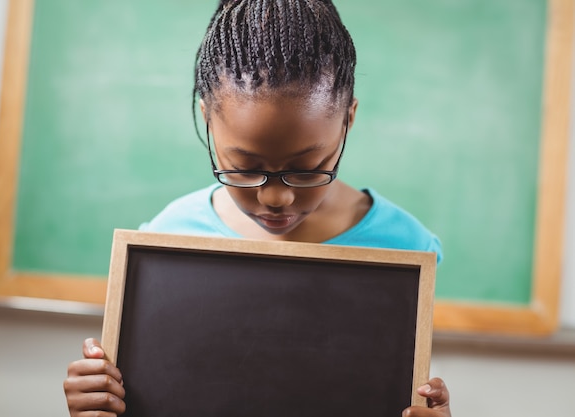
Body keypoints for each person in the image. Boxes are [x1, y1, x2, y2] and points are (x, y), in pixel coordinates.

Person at [64, 0, 451, 416]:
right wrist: (98, 400)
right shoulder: (166, 243)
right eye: (245, 169)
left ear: (348, 120)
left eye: (308, 169)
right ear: (208, 121)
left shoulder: (404, 248)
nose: (276, 198)